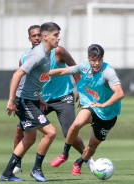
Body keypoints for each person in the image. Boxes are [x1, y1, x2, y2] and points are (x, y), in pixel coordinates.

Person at [12, 25, 94, 175]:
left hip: (63, 97)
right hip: (40, 100)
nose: (36, 38)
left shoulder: (58, 51)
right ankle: (16, 164)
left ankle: (88, 160)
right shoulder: (25, 58)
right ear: (29, 39)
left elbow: (75, 67)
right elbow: (23, 80)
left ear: (44, 36)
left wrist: (80, 91)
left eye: (38, 35)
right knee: (20, 128)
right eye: (33, 36)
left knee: (69, 130)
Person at [49, 44, 125, 175]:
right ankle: (64, 154)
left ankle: (78, 162)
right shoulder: (84, 67)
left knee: (92, 146)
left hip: (108, 114)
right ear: (88, 58)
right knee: (75, 124)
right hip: (92, 105)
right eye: (93, 60)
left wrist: (104, 105)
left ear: (102, 59)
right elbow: (62, 71)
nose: (96, 63)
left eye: (99, 60)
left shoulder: (108, 72)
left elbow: (119, 93)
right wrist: (42, 73)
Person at [0, 22, 61, 182]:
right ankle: (36, 169)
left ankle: (6, 174)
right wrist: (11, 100)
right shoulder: (38, 54)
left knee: (29, 138)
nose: (58, 38)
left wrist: (38, 96)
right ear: (45, 37)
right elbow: (18, 73)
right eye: (55, 35)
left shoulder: (47, 53)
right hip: (24, 101)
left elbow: (34, 77)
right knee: (51, 132)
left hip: (31, 99)